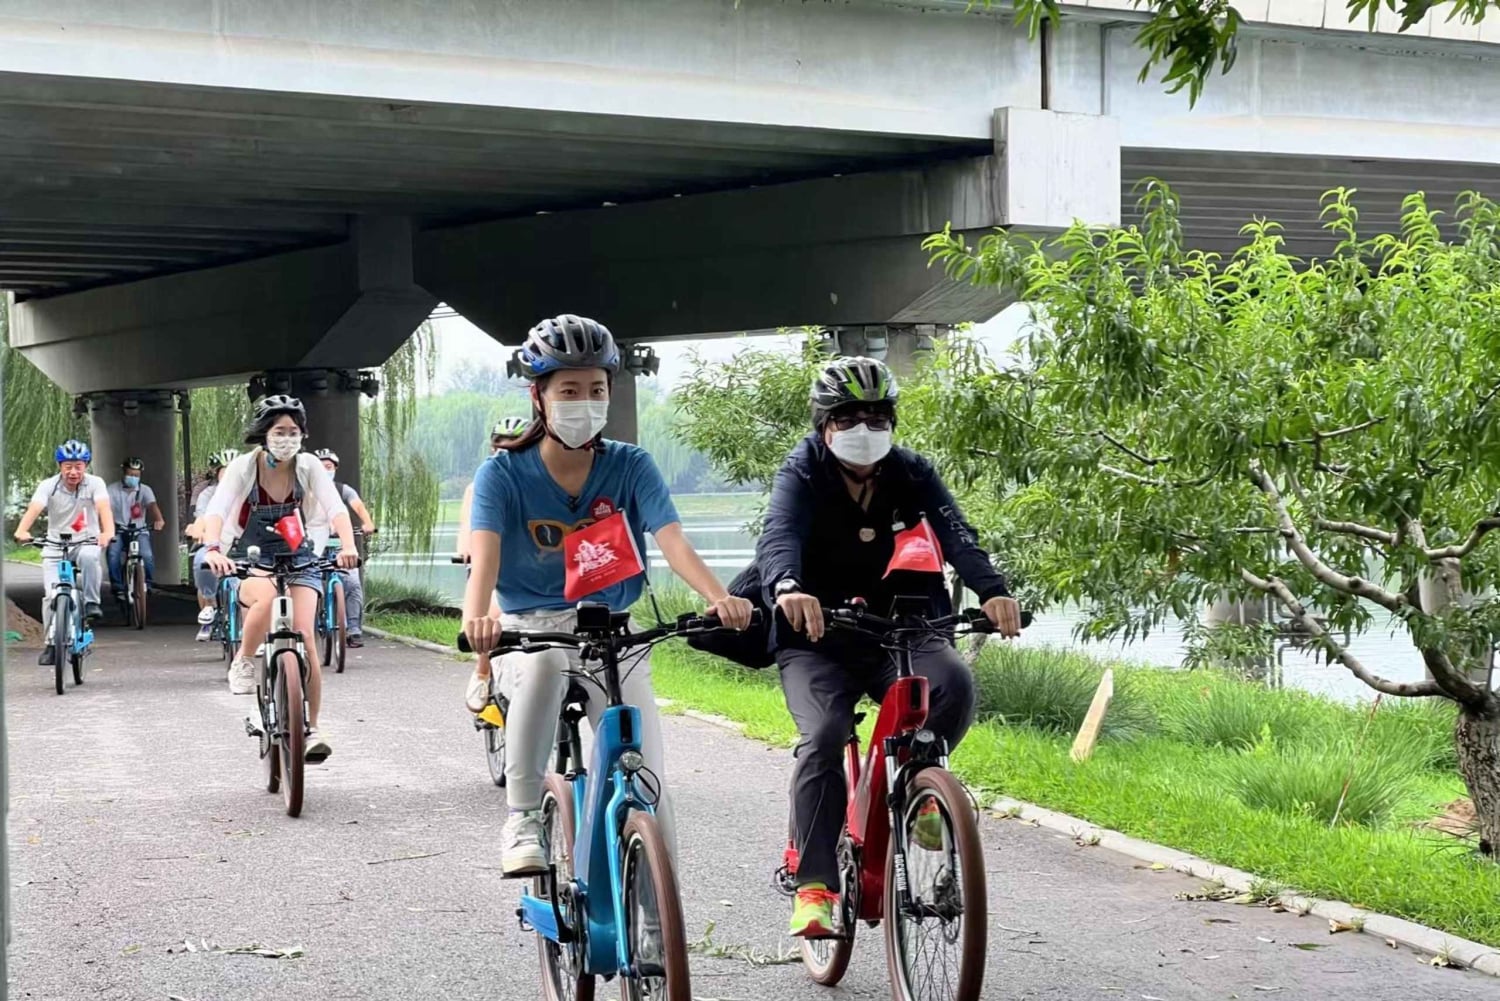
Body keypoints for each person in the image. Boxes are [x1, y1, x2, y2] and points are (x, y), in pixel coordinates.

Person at [461, 315, 753, 877]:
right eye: (568, 390)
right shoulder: (502, 474)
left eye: (596, 390)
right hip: (531, 628)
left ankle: (651, 918)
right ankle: (522, 816)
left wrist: (721, 597)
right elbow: (485, 561)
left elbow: (672, 541)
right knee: (545, 666)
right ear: (539, 395)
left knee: (647, 780)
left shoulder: (631, 466)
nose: (584, 401)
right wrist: (478, 620)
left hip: (611, 628)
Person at [755, 356, 1023, 937]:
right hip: (817, 635)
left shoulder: (912, 472)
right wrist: (787, 587)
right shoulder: (802, 472)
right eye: (849, 417)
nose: (865, 428)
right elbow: (779, 533)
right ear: (824, 424)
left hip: (903, 628)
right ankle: (815, 887)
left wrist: (994, 589)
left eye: (877, 416)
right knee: (824, 735)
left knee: (952, 686)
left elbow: (955, 532)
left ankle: (920, 796)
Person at [200, 396, 359, 761]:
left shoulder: (308, 467)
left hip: (301, 554)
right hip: (253, 555)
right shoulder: (245, 467)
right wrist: (213, 549)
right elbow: (218, 511)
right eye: (279, 431)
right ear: (264, 434)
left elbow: (335, 508)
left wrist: (348, 546)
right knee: (267, 599)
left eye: (294, 431)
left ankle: (313, 727)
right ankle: (243, 660)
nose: (287, 438)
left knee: (305, 635)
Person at [13, 440, 115, 664]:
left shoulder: (95, 483)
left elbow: (103, 508)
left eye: (78, 466)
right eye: (68, 466)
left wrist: (107, 532)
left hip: (85, 540)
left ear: (85, 465)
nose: (73, 471)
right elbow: (36, 507)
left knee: (90, 557)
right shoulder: (48, 485)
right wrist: (22, 530)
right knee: (51, 596)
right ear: (60, 466)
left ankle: (91, 603)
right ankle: (51, 643)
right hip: (55, 544)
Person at [458, 416, 530, 715]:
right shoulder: (481, 485)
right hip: (491, 569)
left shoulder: (539, 482)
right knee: (490, 618)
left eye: (515, 447)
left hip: (532, 569)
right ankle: (483, 671)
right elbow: (467, 529)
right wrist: (467, 549)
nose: (506, 453)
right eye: (500, 447)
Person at [313, 449, 375, 648]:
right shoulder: (306, 490)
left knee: (352, 584)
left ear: (335, 469)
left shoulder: (342, 490)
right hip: (314, 544)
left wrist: (367, 523)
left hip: (339, 544)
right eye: (321, 467)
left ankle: (354, 630)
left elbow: (358, 507)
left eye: (329, 467)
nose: (325, 470)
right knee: (307, 583)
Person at [185, 450, 240, 642]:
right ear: (217, 473)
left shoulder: (249, 491)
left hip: (242, 544)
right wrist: (198, 532)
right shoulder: (207, 494)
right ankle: (209, 607)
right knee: (202, 562)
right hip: (214, 542)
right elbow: (201, 519)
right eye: (224, 471)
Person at [106, 457, 164, 600]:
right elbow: (105, 509)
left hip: (139, 530)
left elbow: (152, 506)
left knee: (147, 555)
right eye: (130, 474)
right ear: (124, 473)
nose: (133, 478)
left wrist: (159, 520)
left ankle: (148, 585)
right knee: (113, 555)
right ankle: (118, 587)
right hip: (119, 530)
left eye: (136, 475)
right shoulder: (112, 490)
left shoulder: (145, 490)